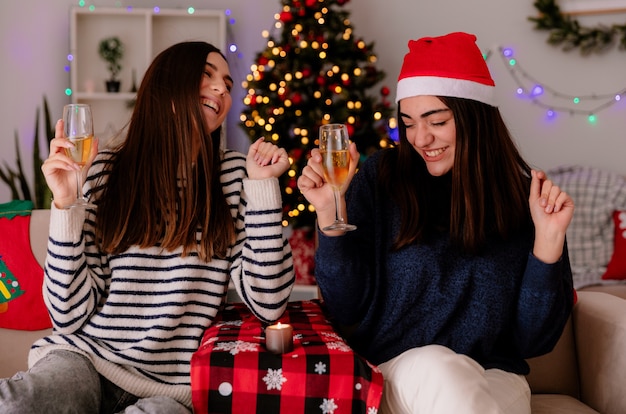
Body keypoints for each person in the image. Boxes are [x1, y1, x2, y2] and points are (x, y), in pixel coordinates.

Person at [0, 41, 294, 413]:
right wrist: (65, 203)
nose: (222, 89)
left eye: (227, 84)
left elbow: (269, 304)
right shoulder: (105, 171)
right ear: (167, 86)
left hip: (170, 390)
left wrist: (264, 188)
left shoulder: (236, 177)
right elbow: (68, 313)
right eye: (207, 75)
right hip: (85, 360)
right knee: (18, 403)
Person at [297, 32, 575, 414]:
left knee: (471, 391)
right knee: (442, 370)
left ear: (474, 117)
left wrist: (548, 241)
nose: (420, 138)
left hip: (496, 377)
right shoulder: (381, 178)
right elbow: (346, 309)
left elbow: (533, 342)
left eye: (437, 121)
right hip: (403, 372)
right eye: (408, 123)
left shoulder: (524, 198)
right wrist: (329, 213)